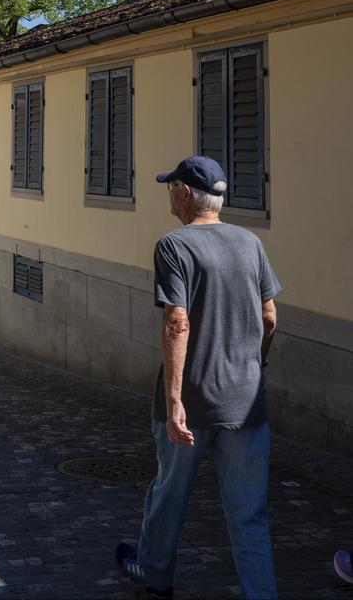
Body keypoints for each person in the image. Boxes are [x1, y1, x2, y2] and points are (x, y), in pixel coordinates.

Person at [116, 156, 280, 600]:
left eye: (170, 187)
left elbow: (177, 323)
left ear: (185, 193)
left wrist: (173, 404)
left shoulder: (175, 245)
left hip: (192, 399)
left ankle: (154, 576)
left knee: (169, 495)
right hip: (245, 401)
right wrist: (253, 366)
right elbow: (269, 317)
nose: (168, 194)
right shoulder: (250, 242)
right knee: (250, 515)